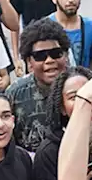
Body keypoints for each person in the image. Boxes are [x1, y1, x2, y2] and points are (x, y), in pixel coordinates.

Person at [8, 19, 71, 152]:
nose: (49, 61)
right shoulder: (15, 94)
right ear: (29, 63)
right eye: (40, 56)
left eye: (56, 53)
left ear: (66, 56)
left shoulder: (83, 86)